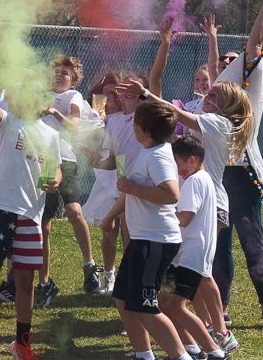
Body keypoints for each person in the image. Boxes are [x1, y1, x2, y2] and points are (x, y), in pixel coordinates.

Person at [118, 78, 252, 354]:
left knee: (199, 273)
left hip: (206, 202)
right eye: (208, 92)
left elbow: (175, 115)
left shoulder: (219, 123)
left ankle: (220, 335)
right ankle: (198, 338)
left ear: (230, 107)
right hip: (200, 198)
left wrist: (145, 94)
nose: (207, 96)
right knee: (187, 282)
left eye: (216, 96)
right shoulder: (210, 123)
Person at [0, 70, 62, 360]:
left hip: (31, 215)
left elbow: (55, 167)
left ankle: (21, 343)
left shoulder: (51, 134)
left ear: (44, 102)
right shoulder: (8, 122)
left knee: (25, 282)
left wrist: (55, 179)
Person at [208, 0, 263, 333]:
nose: (227, 62)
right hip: (215, 177)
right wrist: (211, 39)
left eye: (231, 59)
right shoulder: (219, 90)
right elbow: (213, 71)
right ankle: (219, 311)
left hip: (241, 177)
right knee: (218, 246)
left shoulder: (248, 85)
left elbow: (254, 43)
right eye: (224, 60)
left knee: (252, 243)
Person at [100, 101, 191, 360]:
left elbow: (172, 194)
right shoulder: (147, 151)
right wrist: (110, 217)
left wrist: (132, 187)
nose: (134, 128)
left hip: (156, 241)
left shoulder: (159, 156)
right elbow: (131, 192)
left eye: (136, 124)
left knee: (145, 306)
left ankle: (182, 357)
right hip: (143, 240)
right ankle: (144, 355)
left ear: (147, 130)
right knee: (122, 297)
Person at [160, 136, 231, 359]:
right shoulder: (204, 178)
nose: (178, 171)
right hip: (183, 256)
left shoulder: (193, 181)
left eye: (179, 164)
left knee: (177, 307)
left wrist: (162, 207)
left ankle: (215, 351)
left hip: (189, 257)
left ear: (191, 160)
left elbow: (184, 218)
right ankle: (192, 349)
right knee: (163, 301)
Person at [37, 54, 99, 308]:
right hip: (43, 161)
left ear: (73, 82)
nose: (60, 75)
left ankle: (90, 265)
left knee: (74, 211)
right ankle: (44, 283)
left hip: (65, 158)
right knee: (44, 223)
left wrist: (53, 111)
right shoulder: (39, 94)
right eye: (57, 71)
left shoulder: (72, 97)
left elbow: (73, 126)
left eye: (66, 73)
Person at [80, 73, 124, 296]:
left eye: (117, 93)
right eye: (107, 93)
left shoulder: (129, 117)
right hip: (106, 176)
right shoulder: (92, 116)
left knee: (129, 232)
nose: (112, 98)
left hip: (124, 173)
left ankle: (129, 277)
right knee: (109, 229)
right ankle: (109, 276)